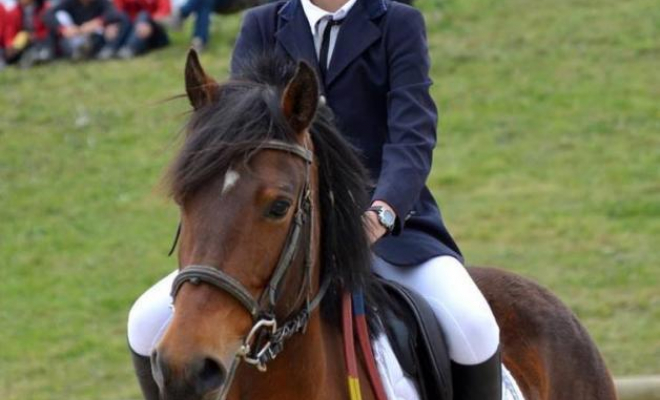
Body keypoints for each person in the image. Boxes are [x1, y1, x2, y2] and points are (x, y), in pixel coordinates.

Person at [127, 0, 503, 399]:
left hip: (389, 232)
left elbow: (412, 136)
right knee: (145, 321)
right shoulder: (262, 24)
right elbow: (239, 141)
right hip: (280, 231)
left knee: (473, 325)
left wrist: (382, 211)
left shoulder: (398, 22)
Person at [43, 0, 130, 60]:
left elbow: (115, 13)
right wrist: (63, 29)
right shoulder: (69, 2)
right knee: (60, 16)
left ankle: (107, 50)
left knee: (116, 25)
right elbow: (48, 14)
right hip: (75, 35)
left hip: (96, 34)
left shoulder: (101, 2)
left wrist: (98, 22)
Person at [2, 0, 55, 67]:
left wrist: (35, 36)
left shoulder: (43, 8)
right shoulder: (15, 11)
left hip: (41, 41)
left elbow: (47, 29)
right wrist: (9, 44)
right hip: (23, 43)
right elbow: (10, 29)